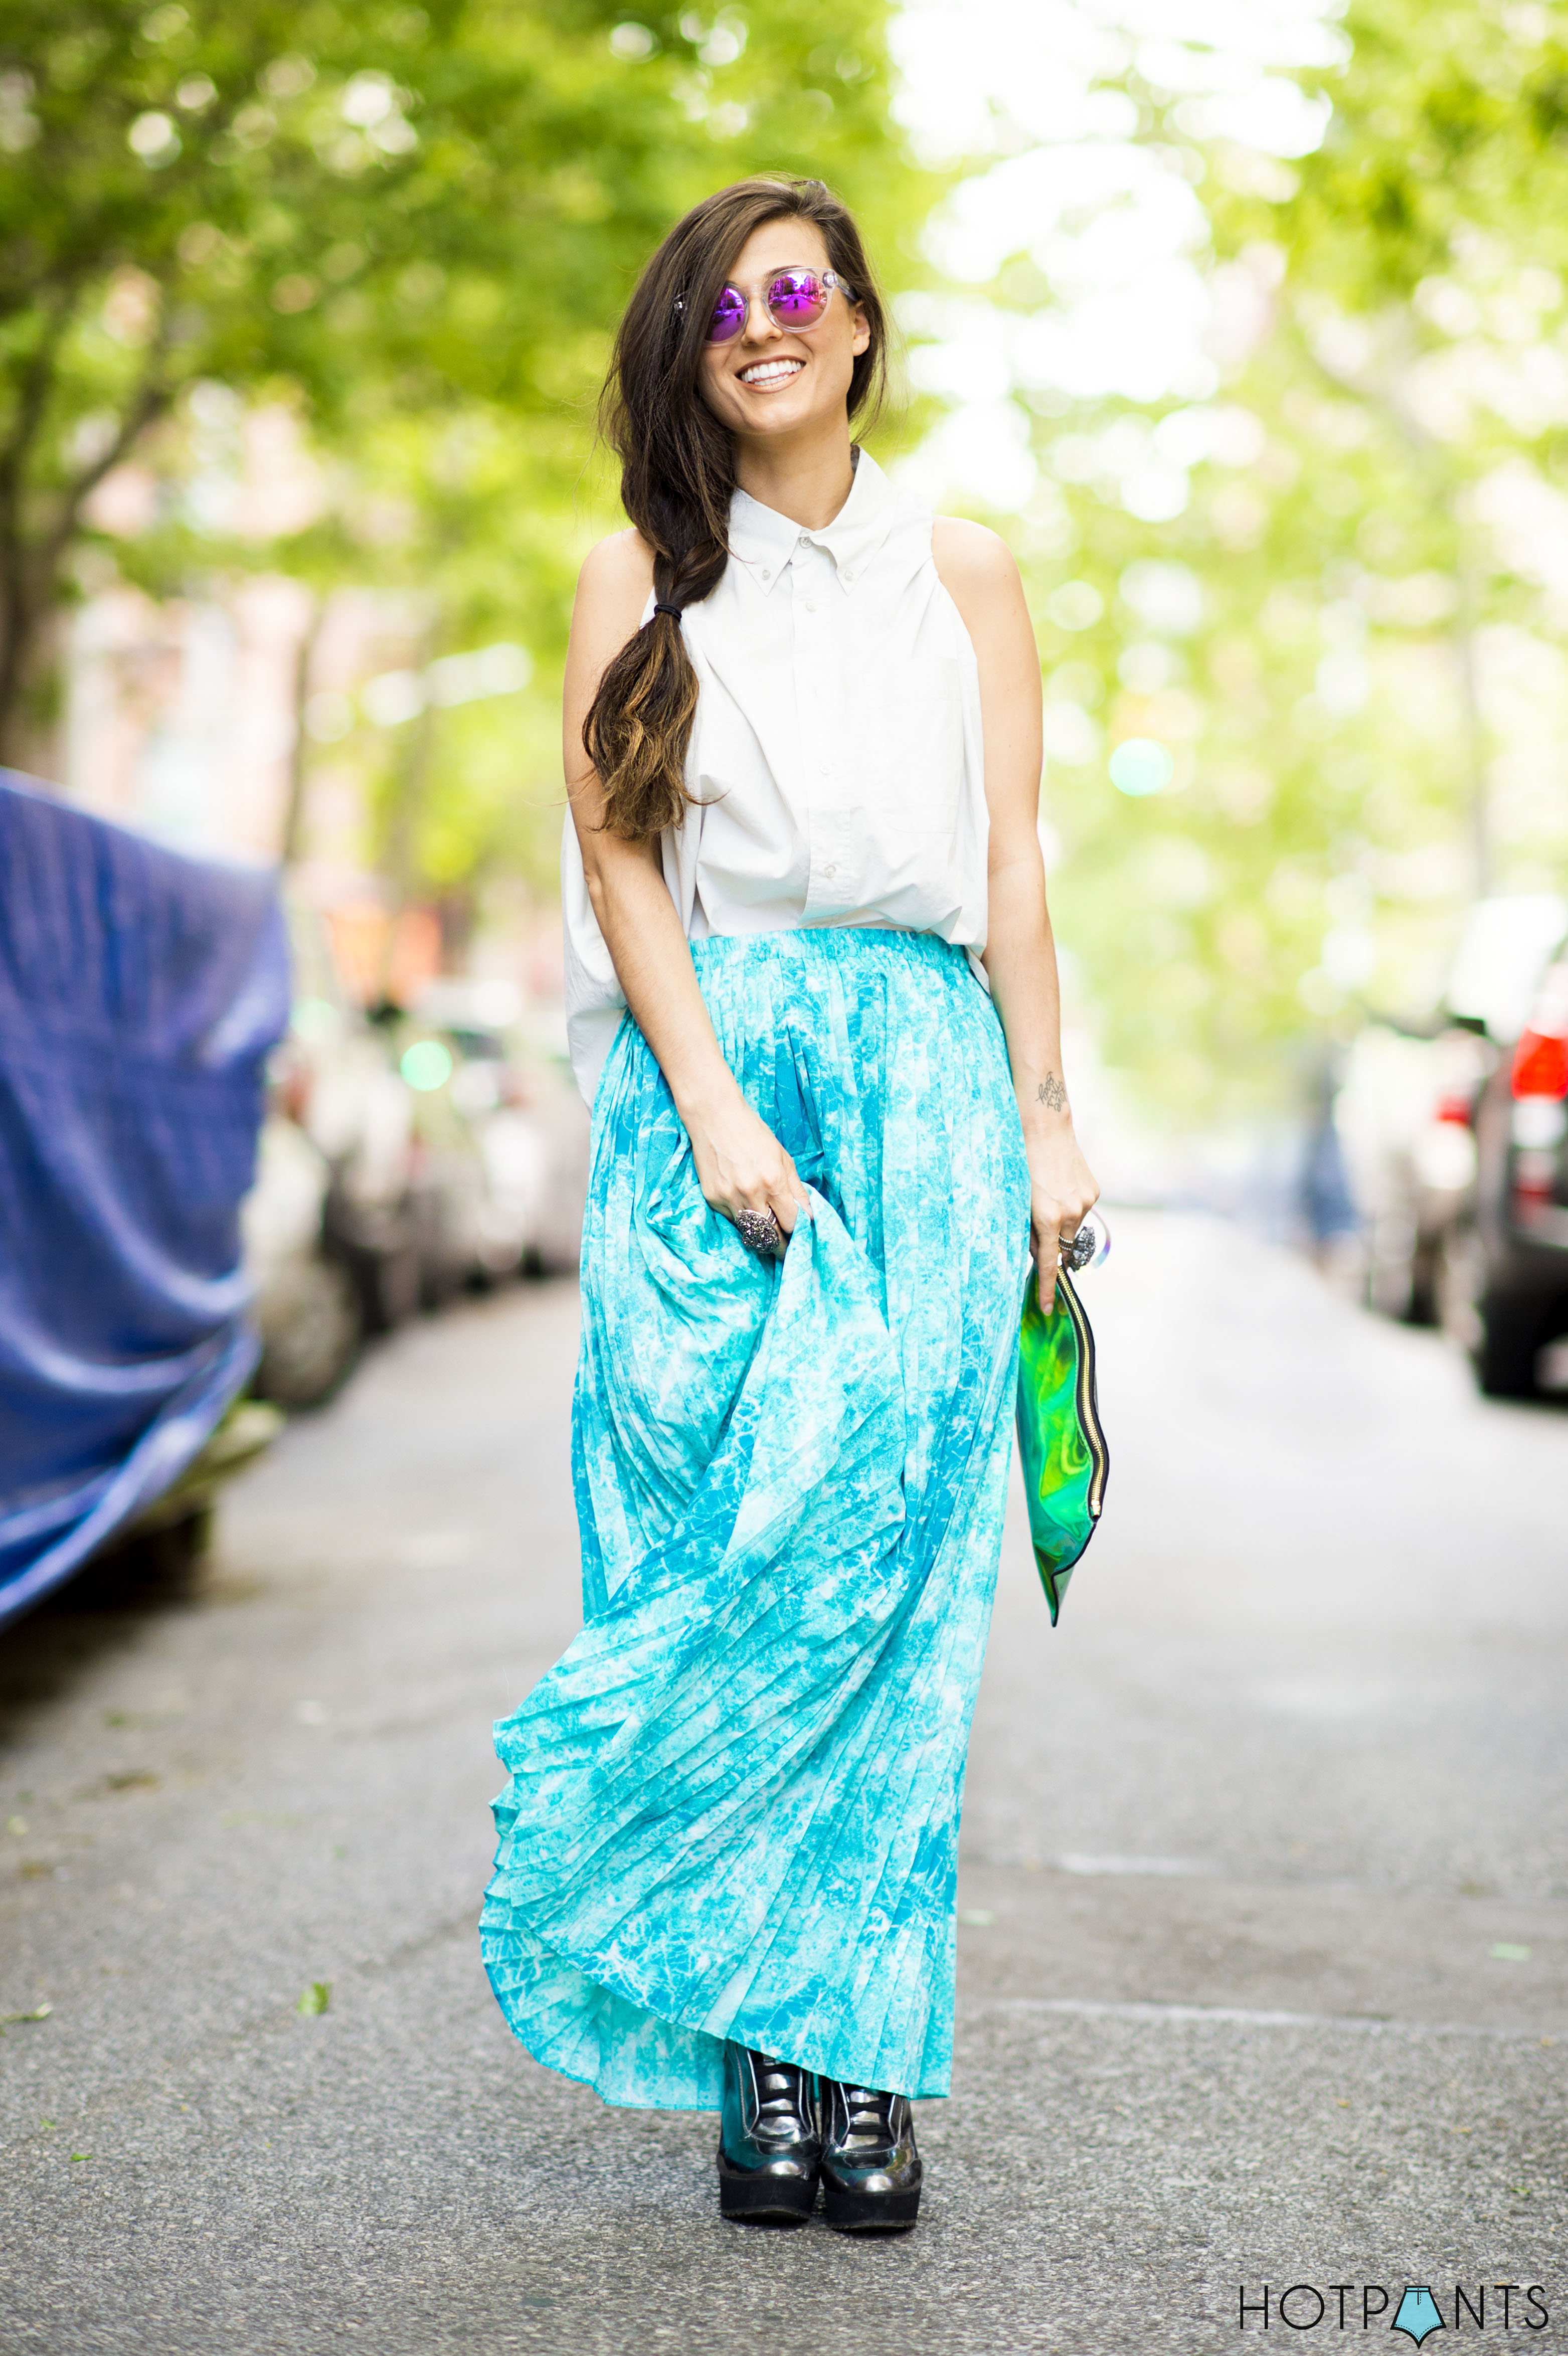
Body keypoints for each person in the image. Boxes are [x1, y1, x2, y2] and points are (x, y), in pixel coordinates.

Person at [480, 175, 1098, 2236]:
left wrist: (1046, 1119)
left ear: (853, 332)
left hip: (922, 1079)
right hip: (705, 1091)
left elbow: (1008, 861)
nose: (760, 323)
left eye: (796, 293)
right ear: (696, 343)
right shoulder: (632, 575)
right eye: (722, 299)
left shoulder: (967, 569)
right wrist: (714, 1099)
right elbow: (618, 862)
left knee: (882, 1584)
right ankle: (757, 2044)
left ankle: (854, 2056)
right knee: (715, 1556)